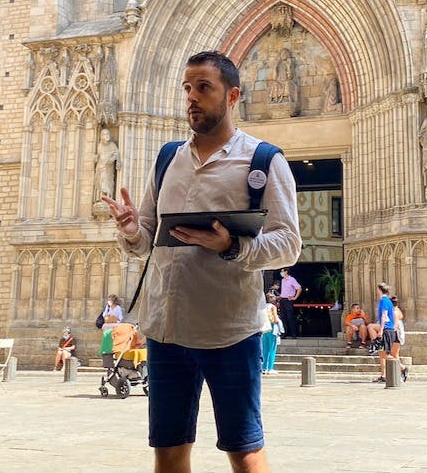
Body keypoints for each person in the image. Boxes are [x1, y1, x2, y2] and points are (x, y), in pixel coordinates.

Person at [101, 50, 300, 472]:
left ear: (232, 96)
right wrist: (131, 228)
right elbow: (146, 243)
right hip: (166, 328)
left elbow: (288, 245)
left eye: (204, 88)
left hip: (229, 330)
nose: (192, 97)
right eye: (187, 88)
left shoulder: (263, 160)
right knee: (169, 451)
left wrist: (232, 246)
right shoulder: (168, 158)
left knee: (244, 451)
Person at [372, 283, 406, 382]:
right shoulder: (389, 302)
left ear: (379, 290)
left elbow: (384, 316)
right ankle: (387, 373)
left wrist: (381, 330)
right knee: (383, 353)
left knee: (385, 354)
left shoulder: (383, 301)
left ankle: (402, 368)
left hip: (386, 330)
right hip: (389, 330)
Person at [94, 128, 120, 199]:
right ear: (102, 136)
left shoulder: (112, 145)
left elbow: (117, 154)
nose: (107, 135)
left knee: (108, 181)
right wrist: (96, 158)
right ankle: (102, 196)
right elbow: (99, 155)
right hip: (101, 167)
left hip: (108, 167)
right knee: (101, 181)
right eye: (105, 134)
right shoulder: (100, 145)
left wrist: (112, 159)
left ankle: (109, 196)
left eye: (108, 134)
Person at [278, 266, 302, 339]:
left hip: (288, 300)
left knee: (290, 317)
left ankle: (293, 334)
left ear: (286, 272)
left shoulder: (291, 279)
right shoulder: (282, 280)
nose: (281, 273)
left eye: (282, 271)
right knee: (283, 318)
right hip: (282, 300)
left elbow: (299, 288)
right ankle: (284, 334)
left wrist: (295, 297)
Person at [260, 293, 280, 375]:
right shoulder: (273, 307)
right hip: (272, 328)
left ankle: (264, 368)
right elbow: (275, 319)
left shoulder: (263, 306)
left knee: (265, 349)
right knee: (272, 349)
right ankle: (270, 368)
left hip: (264, 328)